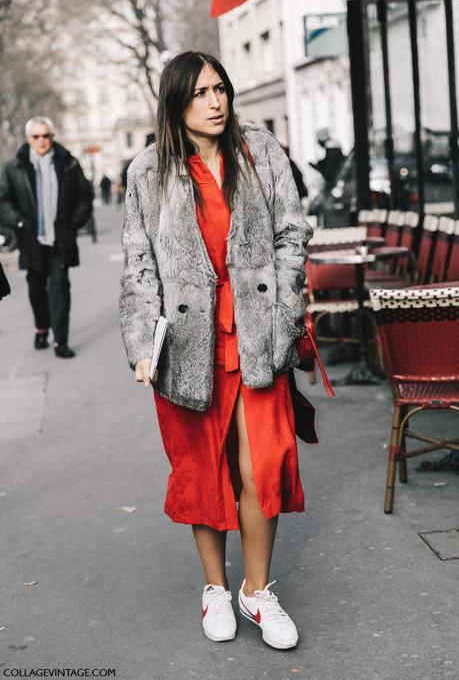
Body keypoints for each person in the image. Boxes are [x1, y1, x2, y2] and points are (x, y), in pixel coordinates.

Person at [119, 52, 312, 649]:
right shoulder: (147, 171)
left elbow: (291, 232)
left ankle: (257, 591)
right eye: (201, 91)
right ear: (176, 101)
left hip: (257, 335)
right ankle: (215, 590)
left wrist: (285, 314)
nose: (215, 100)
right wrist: (141, 341)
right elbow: (140, 263)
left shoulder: (260, 150)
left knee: (264, 467)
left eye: (221, 88)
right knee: (203, 469)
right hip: (186, 346)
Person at [0, 117, 93, 357]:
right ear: (28, 139)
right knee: (36, 289)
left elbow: (85, 194)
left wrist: (74, 222)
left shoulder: (68, 163)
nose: (42, 141)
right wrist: (19, 221)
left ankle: (60, 340)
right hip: (31, 240)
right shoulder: (14, 167)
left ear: (52, 136)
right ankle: (41, 327)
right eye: (36, 136)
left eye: (46, 136)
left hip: (60, 239)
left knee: (61, 289)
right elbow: (3, 200)